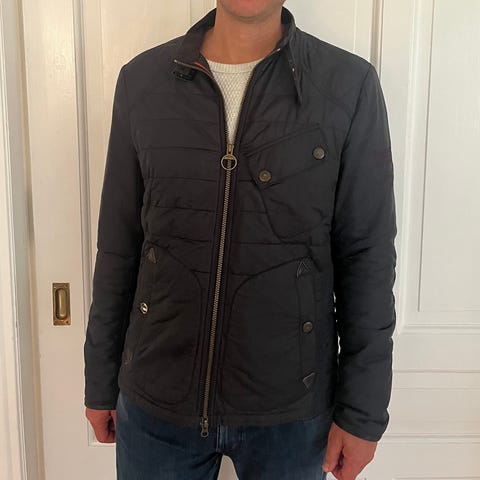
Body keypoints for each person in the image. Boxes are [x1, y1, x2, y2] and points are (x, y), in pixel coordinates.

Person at [83, 1, 397, 479]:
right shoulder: (142, 82)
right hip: (156, 404)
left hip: (292, 412)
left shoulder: (348, 86)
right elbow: (118, 246)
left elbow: (366, 257)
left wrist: (363, 411)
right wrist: (100, 378)